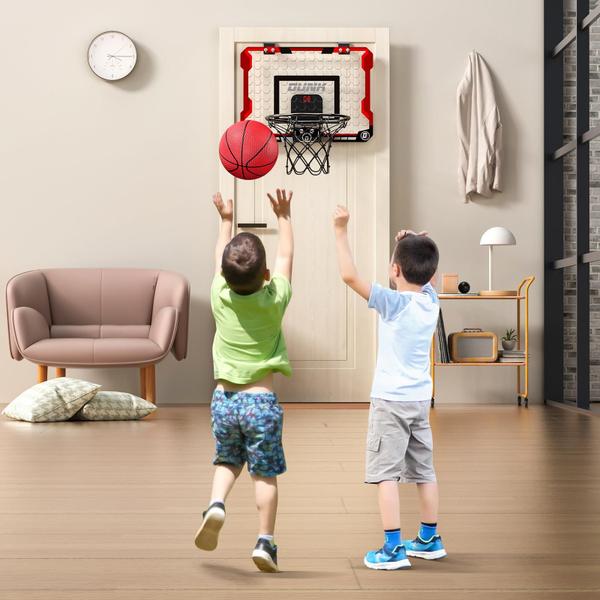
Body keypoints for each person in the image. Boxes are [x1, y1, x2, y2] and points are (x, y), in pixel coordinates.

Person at [332, 205, 447, 570]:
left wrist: (340, 230)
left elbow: (350, 277)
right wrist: (413, 242)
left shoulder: (393, 303)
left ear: (394, 269)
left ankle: (393, 548)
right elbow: (427, 276)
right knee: (424, 472)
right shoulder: (431, 302)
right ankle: (429, 538)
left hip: (390, 403)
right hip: (418, 401)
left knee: (386, 474)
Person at [194, 189, 294, 573]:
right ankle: (265, 542)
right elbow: (286, 256)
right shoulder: (275, 298)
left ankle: (216, 503)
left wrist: (224, 219)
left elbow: (220, 261)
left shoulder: (219, 294)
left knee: (228, 460)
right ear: (265, 276)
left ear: (225, 275)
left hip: (224, 401)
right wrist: (284, 216)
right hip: (260, 404)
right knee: (264, 475)